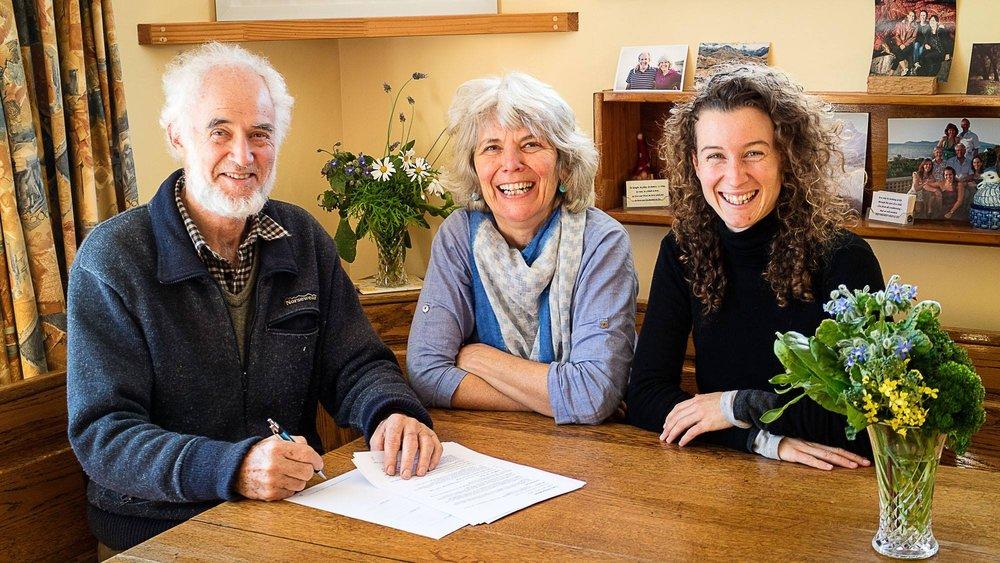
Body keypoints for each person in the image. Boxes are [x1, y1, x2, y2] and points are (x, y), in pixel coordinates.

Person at [66, 43, 442, 555]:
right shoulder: (113, 258)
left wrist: (392, 412)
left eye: (260, 135)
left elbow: (354, 363)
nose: (242, 156)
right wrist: (234, 468)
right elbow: (104, 436)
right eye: (219, 132)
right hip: (159, 531)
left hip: (289, 512)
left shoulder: (302, 237)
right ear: (177, 136)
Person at [626, 64, 884, 470]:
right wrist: (760, 439)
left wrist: (736, 404)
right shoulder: (682, 250)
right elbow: (644, 397)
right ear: (695, 164)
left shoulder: (844, 258)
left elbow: (865, 420)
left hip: (830, 483)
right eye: (716, 156)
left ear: (785, 156)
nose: (734, 176)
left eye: (753, 153)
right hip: (726, 469)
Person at [407, 72, 638, 425]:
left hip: (584, 453)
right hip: (482, 448)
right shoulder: (457, 235)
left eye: (531, 144)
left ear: (564, 164)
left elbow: (592, 394)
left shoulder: (602, 241)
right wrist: (555, 397)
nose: (510, 163)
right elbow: (426, 375)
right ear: (474, 168)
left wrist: (479, 359)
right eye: (492, 147)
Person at [915, 14, 952, 79]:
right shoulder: (929, 31)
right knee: (923, 54)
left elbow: (947, 42)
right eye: (930, 21)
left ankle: (929, 74)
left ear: (937, 22)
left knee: (928, 57)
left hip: (941, 51)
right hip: (933, 50)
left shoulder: (941, 31)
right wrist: (926, 44)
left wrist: (948, 53)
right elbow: (925, 41)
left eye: (933, 21)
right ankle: (922, 73)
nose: (931, 22)